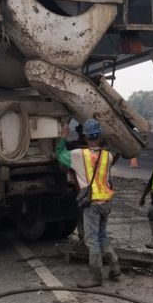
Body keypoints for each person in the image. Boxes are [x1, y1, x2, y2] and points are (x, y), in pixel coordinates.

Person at [56, 118, 120, 288]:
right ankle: (114, 267)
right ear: (100, 136)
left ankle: (95, 277)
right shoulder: (109, 156)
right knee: (102, 235)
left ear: (85, 137)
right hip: (106, 202)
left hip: (92, 204)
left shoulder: (78, 155)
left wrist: (63, 136)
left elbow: (60, 154)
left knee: (92, 241)